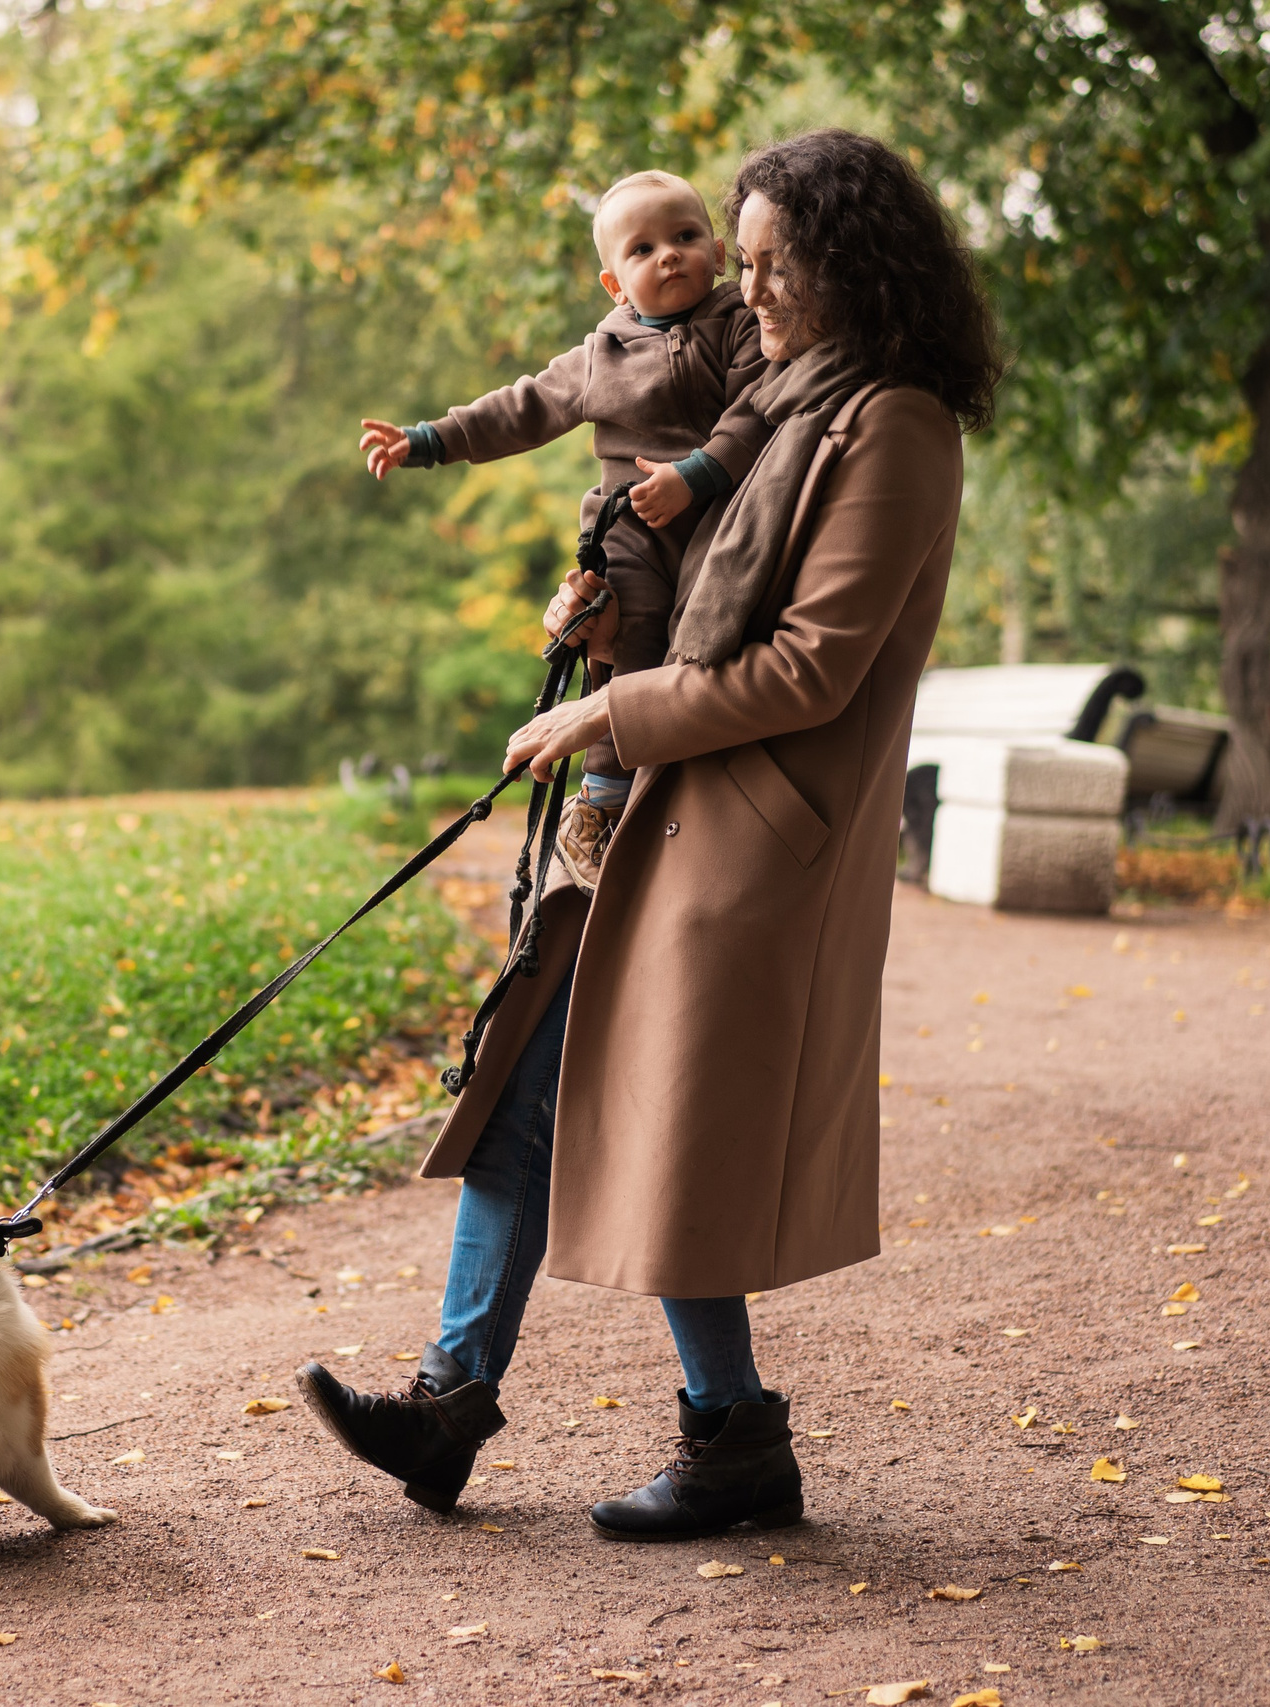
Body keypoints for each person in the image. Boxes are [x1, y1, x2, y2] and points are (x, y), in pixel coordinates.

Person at [302, 130, 1006, 1541]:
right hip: (669, 794)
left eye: (766, 263)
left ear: (846, 261)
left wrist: (608, 713)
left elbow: (811, 665)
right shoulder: (785, 395)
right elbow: (700, 597)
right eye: (734, 261)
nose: (744, 289)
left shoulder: (895, 423)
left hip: (743, 826)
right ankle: (484, 1403)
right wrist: (603, 621)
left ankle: (716, 1433)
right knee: (529, 1077)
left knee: (650, 1112)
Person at [356, 170, 774, 888]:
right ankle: (602, 804)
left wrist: (699, 472)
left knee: (705, 648)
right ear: (615, 285)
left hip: (717, 513)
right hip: (632, 527)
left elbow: (755, 410)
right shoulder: (599, 353)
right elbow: (519, 409)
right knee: (631, 638)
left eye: (684, 236)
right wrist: (427, 440)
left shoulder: (740, 321)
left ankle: (676, 801)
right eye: (642, 250)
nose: (669, 256)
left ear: (715, 246)